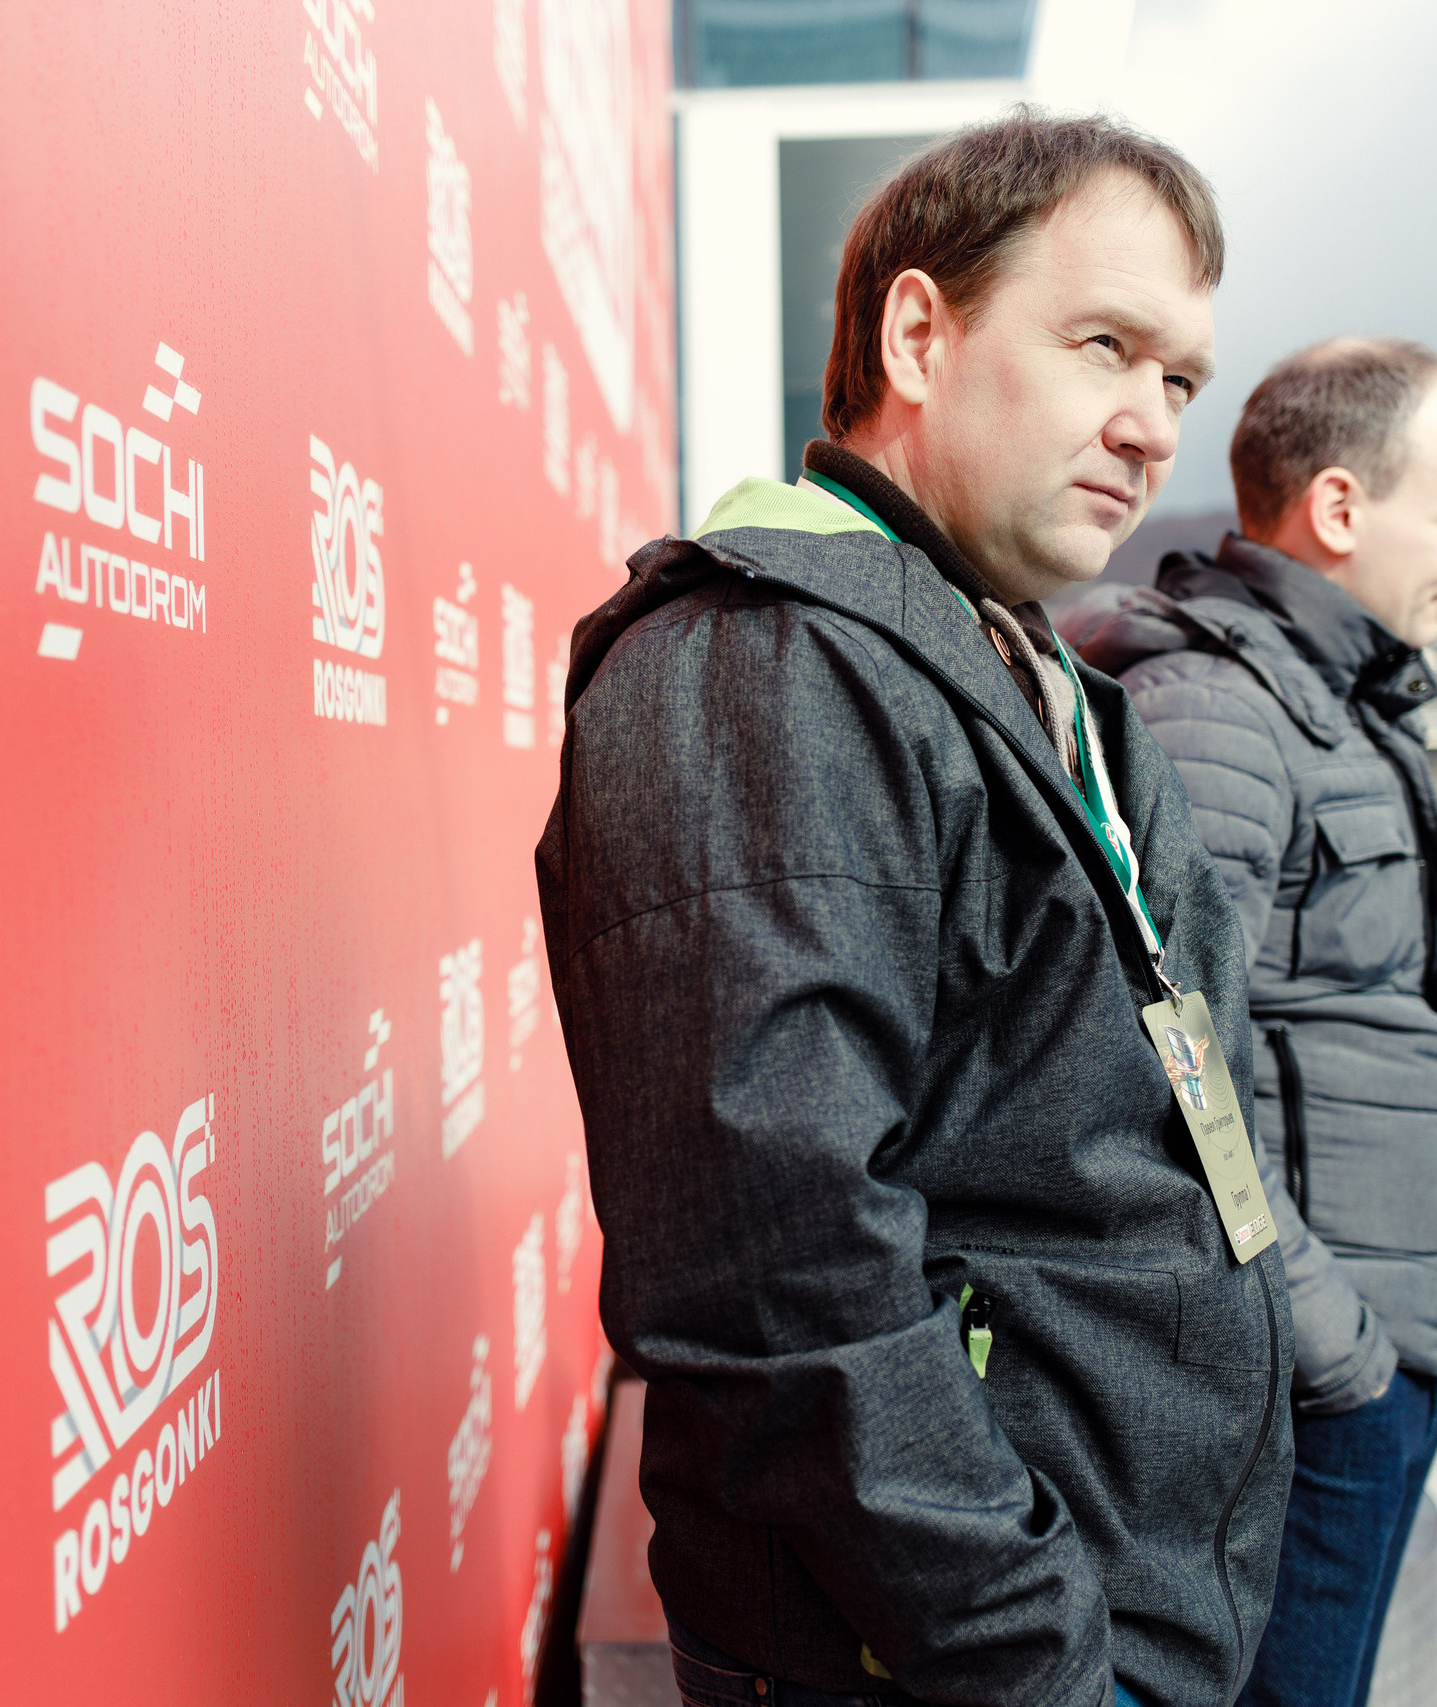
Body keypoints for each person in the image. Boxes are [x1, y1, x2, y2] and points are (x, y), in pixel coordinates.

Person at [536, 112, 1293, 1707]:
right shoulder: (763, 661)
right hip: (965, 1657)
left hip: (1114, 1605)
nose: (1152, 427)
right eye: (1105, 346)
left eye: (1181, 381)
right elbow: (777, 1271)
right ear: (918, 337)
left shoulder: (1037, 675)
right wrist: (1035, 1655)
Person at [1071, 339, 1437, 1707]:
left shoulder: (1327, 699)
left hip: (1360, 1368)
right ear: (1338, 508)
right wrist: (1336, 1353)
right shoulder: (1219, 708)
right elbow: (1158, 1052)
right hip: (1312, 1385)